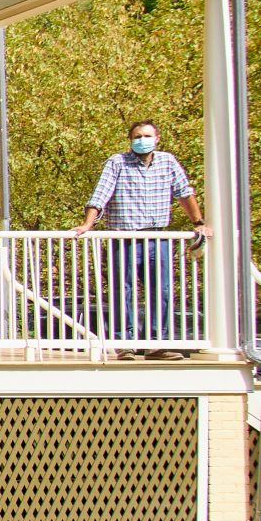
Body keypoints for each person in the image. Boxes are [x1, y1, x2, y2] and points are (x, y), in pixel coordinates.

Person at [73, 119, 207, 359]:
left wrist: (198, 223)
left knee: (162, 289)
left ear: (157, 139)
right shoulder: (118, 162)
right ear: (130, 140)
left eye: (146, 136)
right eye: (137, 136)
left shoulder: (168, 162)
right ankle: (125, 341)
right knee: (121, 289)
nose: (142, 140)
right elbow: (100, 195)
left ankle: (158, 342)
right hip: (124, 236)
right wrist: (87, 224)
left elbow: (185, 193)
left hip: (157, 236)